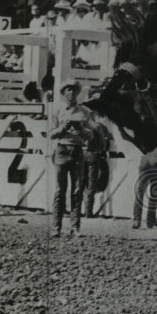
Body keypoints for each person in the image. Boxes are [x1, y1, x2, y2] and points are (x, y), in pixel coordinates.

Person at [49, 80, 91, 237]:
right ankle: (56, 227)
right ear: (63, 92)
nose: (71, 93)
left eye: (74, 90)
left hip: (78, 151)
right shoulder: (57, 110)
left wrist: (83, 130)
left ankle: (75, 227)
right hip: (62, 150)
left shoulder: (84, 111)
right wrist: (62, 128)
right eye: (68, 90)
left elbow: (92, 134)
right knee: (60, 190)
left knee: (77, 190)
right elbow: (50, 133)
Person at [83, 110, 113, 219]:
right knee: (92, 183)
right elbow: (103, 143)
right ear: (94, 115)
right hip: (93, 154)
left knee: (80, 183)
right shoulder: (97, 126)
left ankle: (76, 211)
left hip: (81, 155)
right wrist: (102, 148)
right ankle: (88, 212)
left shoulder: (80, 124)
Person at [132, 150, 157, 229]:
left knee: (141, 192)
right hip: (156, 162)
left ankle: (137, 220)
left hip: (146, 161)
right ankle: (150, 220)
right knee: (153, 193)